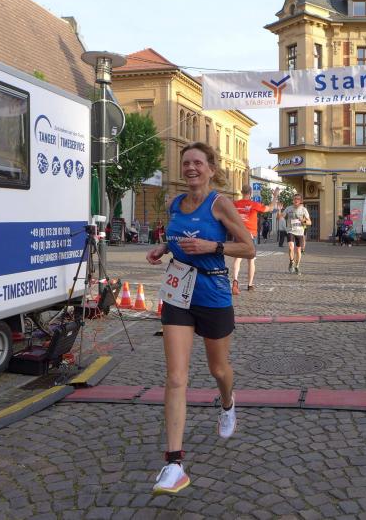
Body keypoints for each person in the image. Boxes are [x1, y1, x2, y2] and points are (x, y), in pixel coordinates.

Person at [145, 142, 255, 495]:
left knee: (218, 369)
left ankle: (227, 402)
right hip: (179, 294)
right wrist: (164, 247)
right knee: (176, 376)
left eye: (197, 162)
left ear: (210, 168)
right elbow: (177, 236)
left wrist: (214, 247)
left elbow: (249, 247)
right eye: (186, 163)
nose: (190, 168)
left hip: (213, 293)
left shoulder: (219, 203)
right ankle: (174, 463)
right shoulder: (174, 203)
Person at [231, 185, 279, 294]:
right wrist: (275, 196)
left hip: (238, 234)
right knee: (251, 260)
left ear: (241, 192)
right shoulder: (254, 204)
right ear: (251, 193)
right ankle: (250, 285)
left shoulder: (235, 204)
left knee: (237, 259)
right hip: (250, 235)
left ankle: (235, 281)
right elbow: (270, 208)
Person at [278, 193, 311, 274]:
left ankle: (297, 266)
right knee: (291, 247)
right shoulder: (288, 208)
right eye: (295, 199)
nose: (296, 200)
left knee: (298, 250)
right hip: (291, 230)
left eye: (298, 199)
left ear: (300, 201)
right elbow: (279, 217)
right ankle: (291, 261)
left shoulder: (304, 210)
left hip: (300, 232)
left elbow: (310, 222)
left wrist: (303, 221)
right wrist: (279, 210)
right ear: (293, 200)